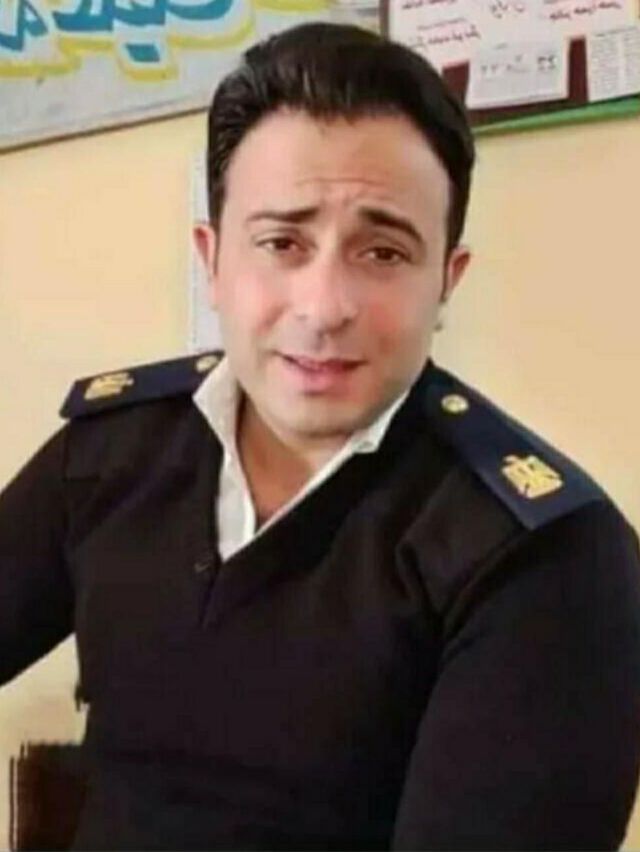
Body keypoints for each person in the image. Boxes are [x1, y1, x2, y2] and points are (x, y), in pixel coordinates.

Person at [1, 21, 640, 851]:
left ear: (446, 280)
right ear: (213, 259)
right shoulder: (110, 451)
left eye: (384, 252)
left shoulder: (547, 557)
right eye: (281, 242)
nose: (324, 306)